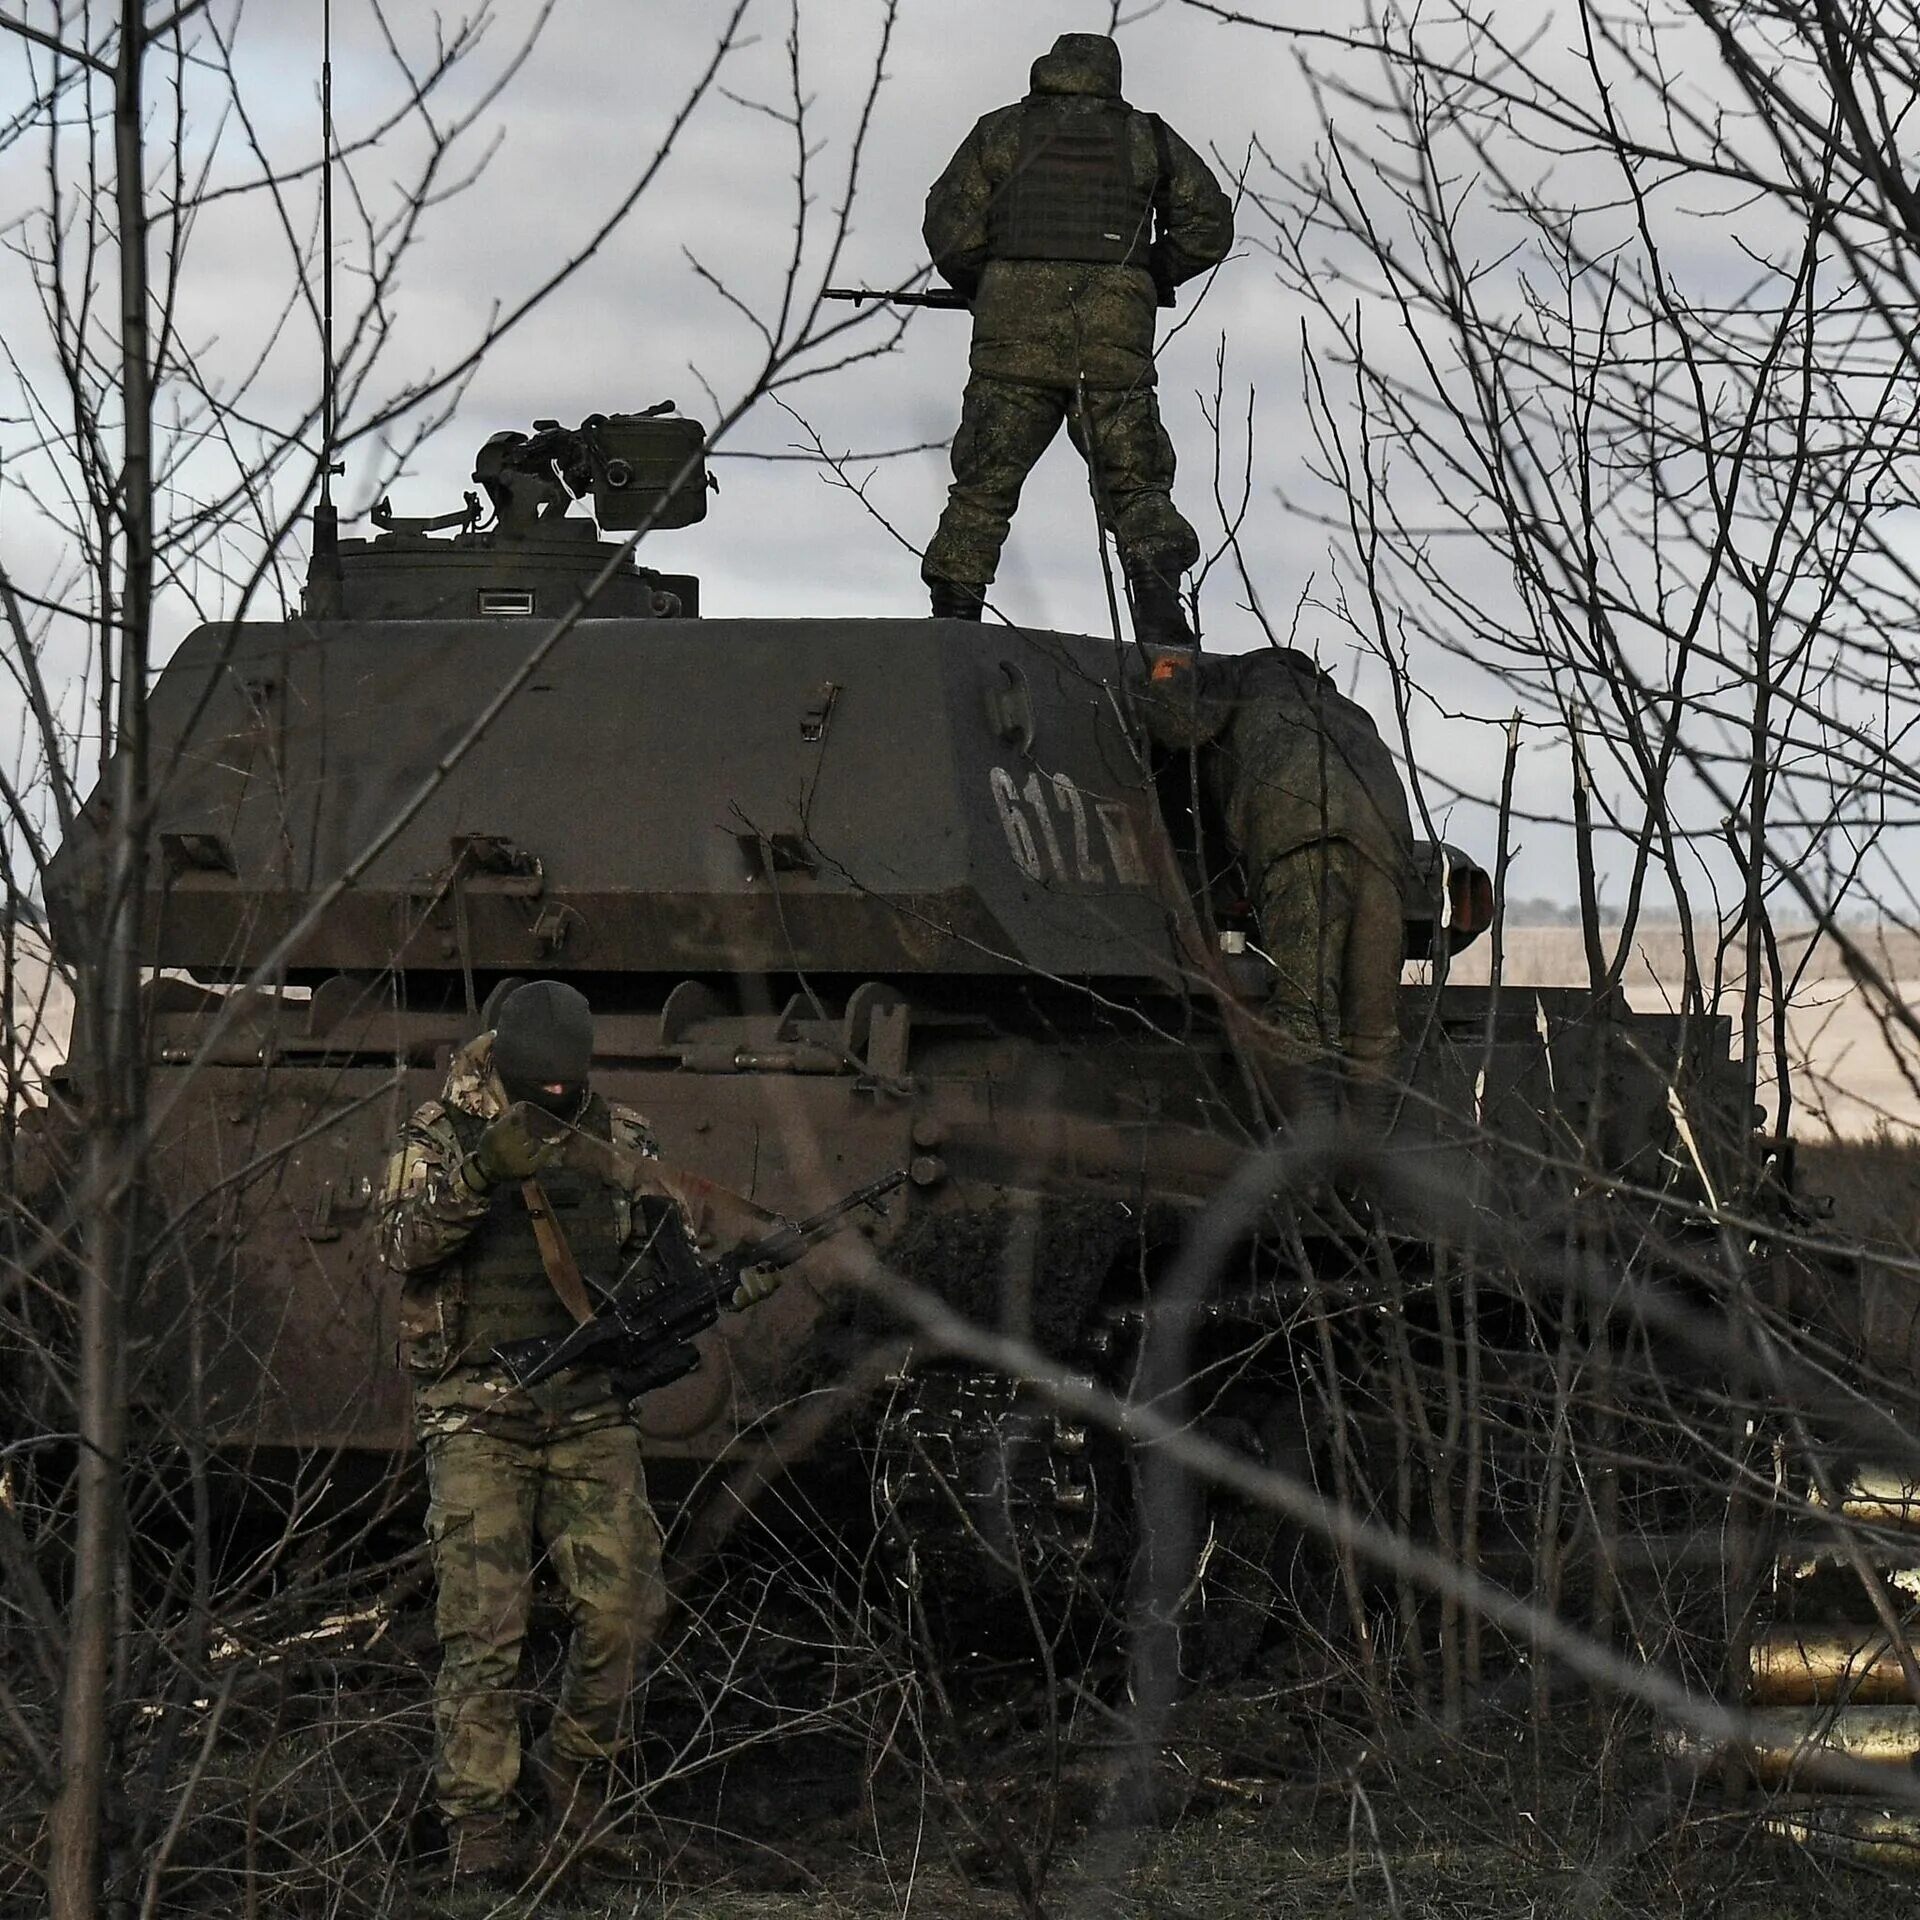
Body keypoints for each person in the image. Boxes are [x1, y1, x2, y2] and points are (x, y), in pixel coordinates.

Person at [377, 979, 781, 1884]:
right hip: (477, 1409)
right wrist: (482, 1173)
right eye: (542, 1082)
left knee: (623, 1611)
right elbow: (400, 1248)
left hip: (591, 1409)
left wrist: (736, 1279)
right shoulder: (439, 1135)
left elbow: (661, 1260)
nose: (557, 1096)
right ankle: (479, 1831)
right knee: (483, 1629)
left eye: (571, 1082)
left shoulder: (620, 1139)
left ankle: (580, 1798)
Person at [920, 32, 1234, 644]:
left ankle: (953, 626)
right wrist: (1144, 276)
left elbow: (949, 224)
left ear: (1046, 71)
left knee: (982, 489)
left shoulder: (1000, 131)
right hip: (1113, 347)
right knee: (1137, 484)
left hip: (1011, 346)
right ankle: (1161, 623)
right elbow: (1209, 224)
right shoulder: (1147, 136)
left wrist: (988, 285)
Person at [1131, 645, 1420, 1125]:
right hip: (1385, 846)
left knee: (1305, 1017)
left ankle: (1312, 1162)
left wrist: (1165, 675)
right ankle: (1364, 1169)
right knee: (1373, 1030)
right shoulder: (1344, 709)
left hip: (1304, 833)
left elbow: (1176, 724)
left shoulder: (1241, 683)